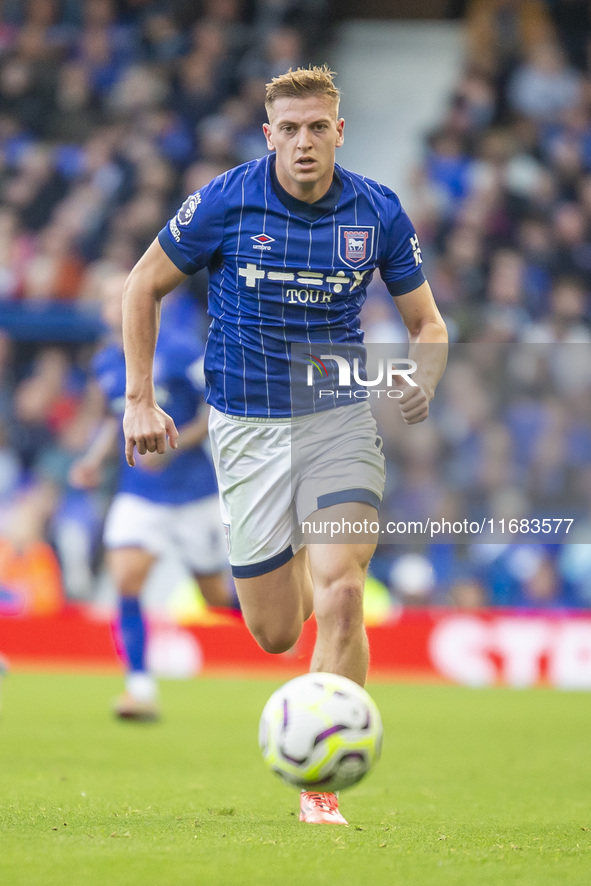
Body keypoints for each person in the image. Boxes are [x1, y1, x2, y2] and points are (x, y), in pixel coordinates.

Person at [121, 67, 448, 822]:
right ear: (270, 136)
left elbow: (426, 325)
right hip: (245, 429)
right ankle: (297, 548)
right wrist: (138, 400)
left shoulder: (377, 211)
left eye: (317, 127)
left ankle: (322, 785)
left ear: (339, 132)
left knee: (339, 596)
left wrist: (420, 376)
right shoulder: (227, 200)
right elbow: (142, 285)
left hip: (336, 416)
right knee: (274, 632)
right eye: (289, 130)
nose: (304, 142)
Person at [70, 270, 235, 721]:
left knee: (216, 599)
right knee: (126, 580)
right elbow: (114, 415)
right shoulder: (106, 361)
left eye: (114, 296)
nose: (107, 307)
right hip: (140, 492)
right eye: (104, 299)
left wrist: (175, 440)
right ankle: (139, 688)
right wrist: (94, 458)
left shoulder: (180, 349)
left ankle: (286, 625)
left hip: (193, 493)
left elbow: (218, 407)